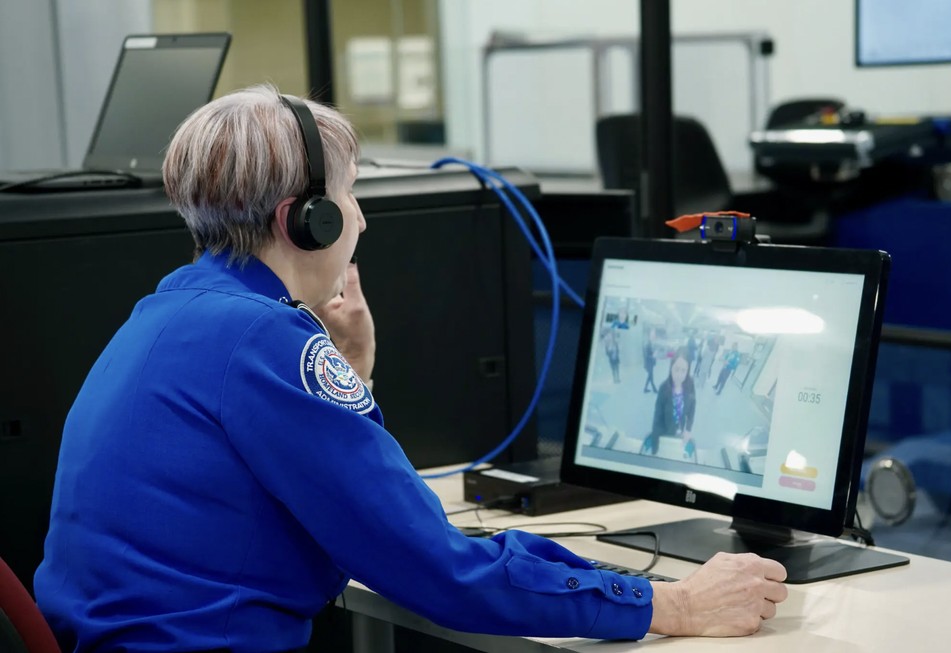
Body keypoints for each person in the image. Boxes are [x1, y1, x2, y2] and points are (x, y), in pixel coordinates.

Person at [34, 83, 787, 652]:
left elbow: (270, 492)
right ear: (304, 218)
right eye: (350, 193)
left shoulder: (168, 314)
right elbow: (441, 569)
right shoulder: (264, 343)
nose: (360, 218)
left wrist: (351, 374)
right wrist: (670, 605)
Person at [641, 348, 697, 459]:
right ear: (671, 368)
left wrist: (688, 429)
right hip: (664, 431)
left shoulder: (690, 386)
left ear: (687, 371)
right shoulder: (663, 389)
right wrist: (655, 449)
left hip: (679, 430)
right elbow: (657, 418)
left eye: (683, 370)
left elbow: (692, 409)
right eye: (676, 369)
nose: (679, 375)